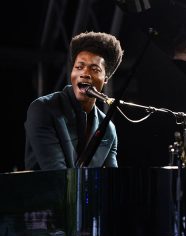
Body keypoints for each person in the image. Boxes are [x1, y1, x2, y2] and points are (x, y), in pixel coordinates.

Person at [24, 31, 124, 170]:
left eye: (94, 69)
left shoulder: (108, 128)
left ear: (106, 79)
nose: (84, 73)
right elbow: (56, 174)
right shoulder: (43, 109)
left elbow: (112, 180)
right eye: (79, 67)